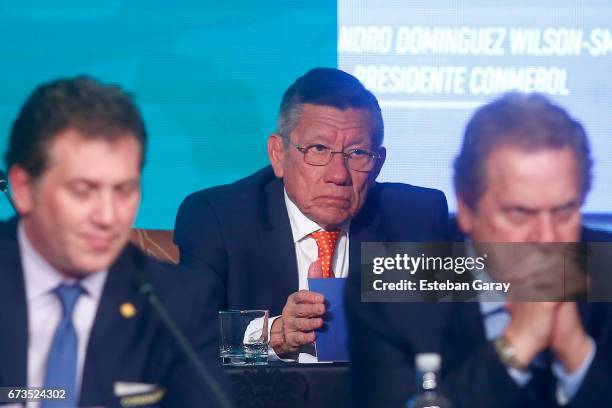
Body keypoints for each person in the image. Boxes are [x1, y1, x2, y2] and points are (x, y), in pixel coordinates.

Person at [346, 93, 612, 407]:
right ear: (467, 208)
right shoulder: (391, 286)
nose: (546, 237)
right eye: (519, 213)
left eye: (564, 211)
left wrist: (576, 353)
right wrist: (516, 346)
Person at [174, 67, 449, 361]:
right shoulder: (219, 217)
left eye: (357, 153)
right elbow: (186, 334)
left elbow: (457, 326)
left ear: (378, 164)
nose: (338, 175)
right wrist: (272, 334)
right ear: (278, 154)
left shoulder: (415, 216)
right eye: (318, 149)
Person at [0, 77, 230, 407]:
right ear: (23, 189)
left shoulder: (174, 305)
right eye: (83, 190)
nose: (108, 217)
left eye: (124, 190)